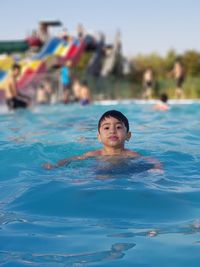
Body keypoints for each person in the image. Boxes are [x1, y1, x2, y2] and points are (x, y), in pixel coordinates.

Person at [43, 110, 162, 171]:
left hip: (127, 174)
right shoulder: (95, 154)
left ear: (128, 135)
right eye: (106, 127)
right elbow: (73, 159)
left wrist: (156, 168)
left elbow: (151, 161)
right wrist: (55, 165)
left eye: (119, 127)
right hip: (99, 174)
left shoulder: (130, 154)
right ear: (99, 137)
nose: (112, 131)